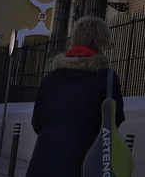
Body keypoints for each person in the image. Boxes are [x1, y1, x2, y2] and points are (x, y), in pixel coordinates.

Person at [26, 17, 125, 177]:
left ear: (75, 38)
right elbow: (116, 120)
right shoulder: (107, 78)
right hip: (85, 163)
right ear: (102, 42)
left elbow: (37, 123)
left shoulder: (51, 79)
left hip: (44, 161)